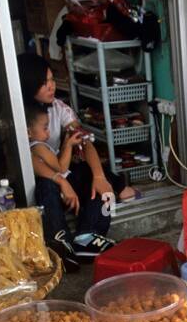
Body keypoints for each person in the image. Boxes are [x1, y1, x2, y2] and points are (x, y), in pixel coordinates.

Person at [17, 51, 135, 268]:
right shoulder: (19, 116)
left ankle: (87, 237)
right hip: (46, 180)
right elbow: (31, 161)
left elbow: (84, 141)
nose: (51, 86)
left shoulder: (59, 109)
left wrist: (99, 176)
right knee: (46, 185)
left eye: (52, 79)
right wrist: (60, 180)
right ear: (28, 84)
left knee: (101, 185)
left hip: (61, 170)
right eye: (44, 82)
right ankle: (60, 241)